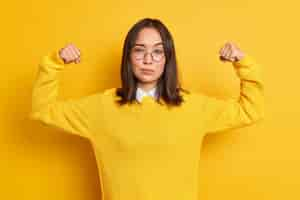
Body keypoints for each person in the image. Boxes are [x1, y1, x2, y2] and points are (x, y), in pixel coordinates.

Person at [29, 18, 264, 200]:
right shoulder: (101, 108)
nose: (148, 59)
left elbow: (249, 110)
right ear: (128, 57)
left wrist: (242, 62)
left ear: (167, 58)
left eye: (158, 51)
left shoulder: (193, 107)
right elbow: (43, 109)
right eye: (139, 50)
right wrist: (54, 63)